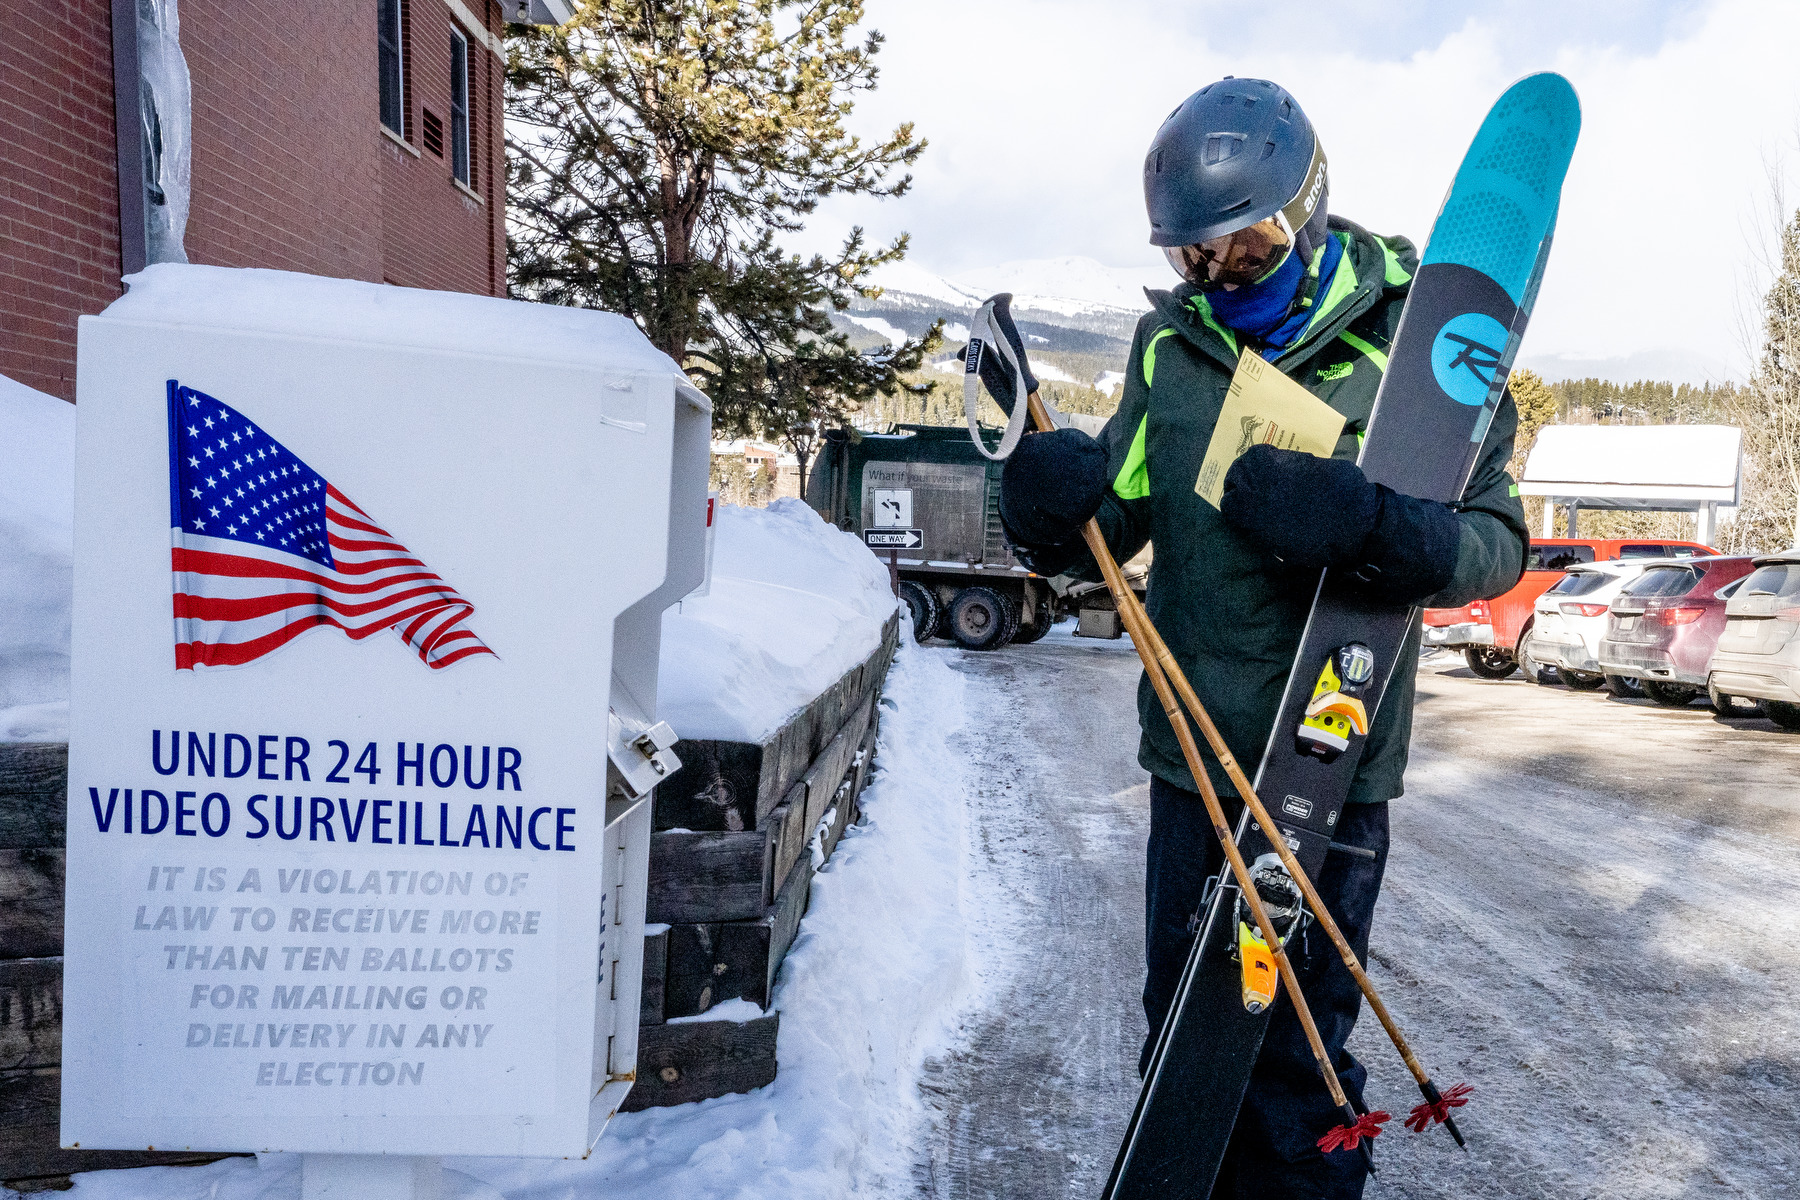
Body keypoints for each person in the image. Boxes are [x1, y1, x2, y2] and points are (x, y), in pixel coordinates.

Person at [998, 78, 1528, 1199]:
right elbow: (1118, 514)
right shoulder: (1166, 349)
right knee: (1187, 1034)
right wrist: (1050, 509)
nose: (1220, 276)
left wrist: (1381, 529)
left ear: (1311, 207)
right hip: (1193, 765)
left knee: (1291, 1060)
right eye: (1193, 256)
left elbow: (1496, 542)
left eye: (1249, 246)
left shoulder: (1421, 348)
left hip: (1325, 770)